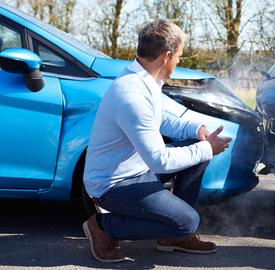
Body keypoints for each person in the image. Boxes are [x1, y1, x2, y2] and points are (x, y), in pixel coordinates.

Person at [82, 19, 232, 263]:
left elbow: (161, 119)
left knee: (196, 155)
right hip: (113, 184)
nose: (179, 61)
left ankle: (171, 236)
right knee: (187, 221)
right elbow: (160, 161)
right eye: (179, 57)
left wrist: (198, 130)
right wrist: (206, 148)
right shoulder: (131, 94)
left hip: (137, 169)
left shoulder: (143, 80)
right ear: (166, 56)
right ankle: (103, 226)